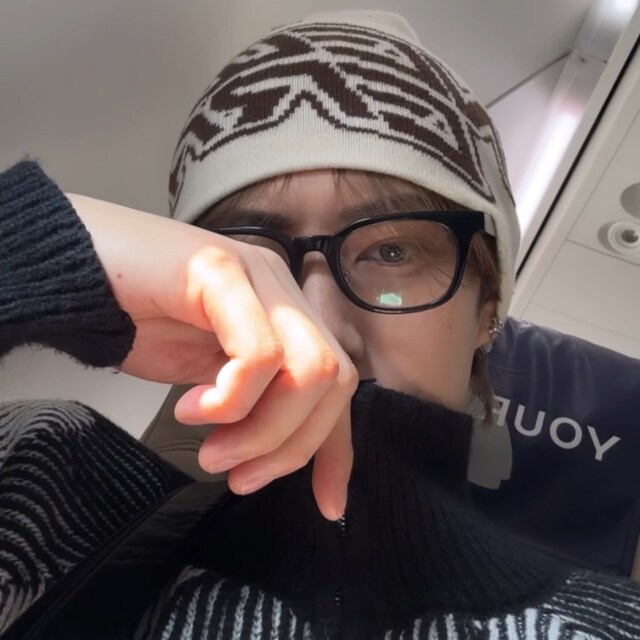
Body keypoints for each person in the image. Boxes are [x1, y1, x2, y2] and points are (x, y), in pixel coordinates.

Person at [1, 9, 639, 640]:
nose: (322, 327)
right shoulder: (41, 476)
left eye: (392, 251)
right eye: (254, 257)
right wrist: (27, 241)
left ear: (487, 312)